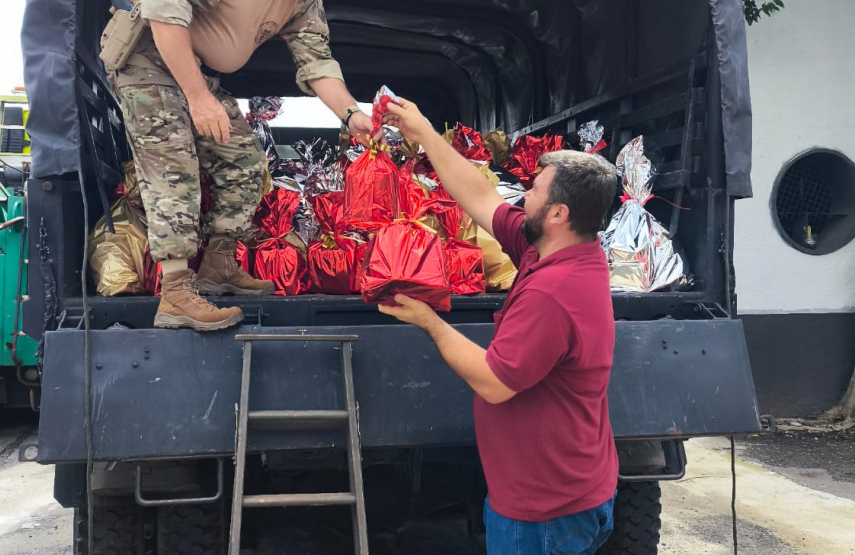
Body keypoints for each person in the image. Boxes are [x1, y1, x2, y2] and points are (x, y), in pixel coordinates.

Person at [380, 99, 620, 554]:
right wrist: (426, 133)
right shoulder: (553, 249)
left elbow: (493, 383)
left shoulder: (554, 291)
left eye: (533, 190)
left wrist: (429, 322)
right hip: (572, 491)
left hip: (545, 511)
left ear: (558, 214)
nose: (521, 195)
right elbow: (481, 197)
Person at [106, 0, 377, 331]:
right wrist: (199, 98)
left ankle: (218, 265)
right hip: (148, 60)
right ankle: (175, 293)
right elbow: (162, 11)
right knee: (173, 170)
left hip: (200, 73)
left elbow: (317, 62)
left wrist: (350, 114)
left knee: (245, 162)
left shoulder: (303, 4)